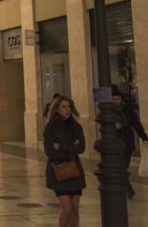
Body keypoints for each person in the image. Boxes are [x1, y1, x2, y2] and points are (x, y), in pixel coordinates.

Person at [44, 96, 86, 227]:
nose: (67, 110)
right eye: (63, 107)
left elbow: (81, 147)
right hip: (59, 171)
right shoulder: (51, 127)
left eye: (69, 107)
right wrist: (71, 146)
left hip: (75, 171)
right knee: (67, 210)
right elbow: (50, 151)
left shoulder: (76, 126)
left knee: (75, 211)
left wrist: (61, 146)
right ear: (56, 109)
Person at [112, 84, 148, 199]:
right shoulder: (107, 111)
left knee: (122, 167)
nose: (115, 101)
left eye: (117, 98)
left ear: (121, 98)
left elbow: (136, 123)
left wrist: (144, 137)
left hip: (127, 143)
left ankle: (127, 189)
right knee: (119, 168)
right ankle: (128, 189)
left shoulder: (128, 109)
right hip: (114, 144)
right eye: (113, 99)